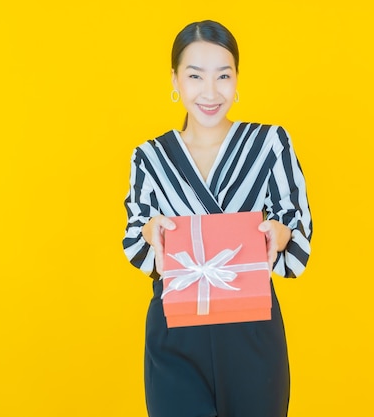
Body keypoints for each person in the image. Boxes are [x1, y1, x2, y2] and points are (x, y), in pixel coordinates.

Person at [122, 20, 312, 417]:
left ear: (237, 79)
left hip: (251, 327)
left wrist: (278, 234)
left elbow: (295, 223)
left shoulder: (269, 143)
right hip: (175, 329)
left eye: (223, 76)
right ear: (175, 80)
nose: (210, 92)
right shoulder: (149, 157)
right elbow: (135, 237)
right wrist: (149, 234)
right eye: (195, 76)